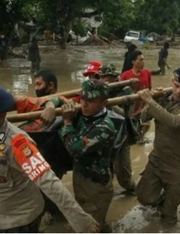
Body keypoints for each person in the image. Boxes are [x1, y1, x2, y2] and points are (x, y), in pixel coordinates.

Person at [0, 84, 99, 233]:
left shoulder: (19, 144)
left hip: (21, 217)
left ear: (2, 115)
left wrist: (81, 221)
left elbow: (49, 182)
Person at [136, 67, 180, 225]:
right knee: (144, 197)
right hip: (157, 159)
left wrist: (151, 102)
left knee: (169, 213)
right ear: (172, 81)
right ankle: (161, 200)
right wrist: (154, 100)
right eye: (176, 85)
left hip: (177, 165)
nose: (179, 92)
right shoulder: (164, 98)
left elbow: (176, 123)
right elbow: (143, 117)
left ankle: (167, 211)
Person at [58, 79, 116, 232]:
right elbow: (56, 98)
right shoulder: (85, 113)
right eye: (82, 98)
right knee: (86, 217)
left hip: (96, 187)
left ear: (104, 103)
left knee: (90, 227)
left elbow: (75, 150)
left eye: (91, 101)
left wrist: (67, 122)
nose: (84, 104)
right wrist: (51, 106)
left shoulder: (104, 127)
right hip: (82, 178)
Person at [99, 64, 136, 194]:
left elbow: (125, 115)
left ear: (115, 78)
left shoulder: (125, 91)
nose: (104, 80)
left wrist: (108, 103)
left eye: (107, 77)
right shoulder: (99, 90)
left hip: (122, 134)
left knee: (124, 175)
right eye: (102, 77)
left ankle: (133, 188)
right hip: (104, 134)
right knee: (105, 167)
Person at [121, 50, 152, 143]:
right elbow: (120, 93)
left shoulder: (147, 73)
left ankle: (141, 139)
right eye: (140, 60)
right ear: (133, 62)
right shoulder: (125, 75)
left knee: (146, 125)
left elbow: (150, 89)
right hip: (132, 107)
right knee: (132, 132)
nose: (143, 62)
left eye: (143, 59)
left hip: (144, 106)